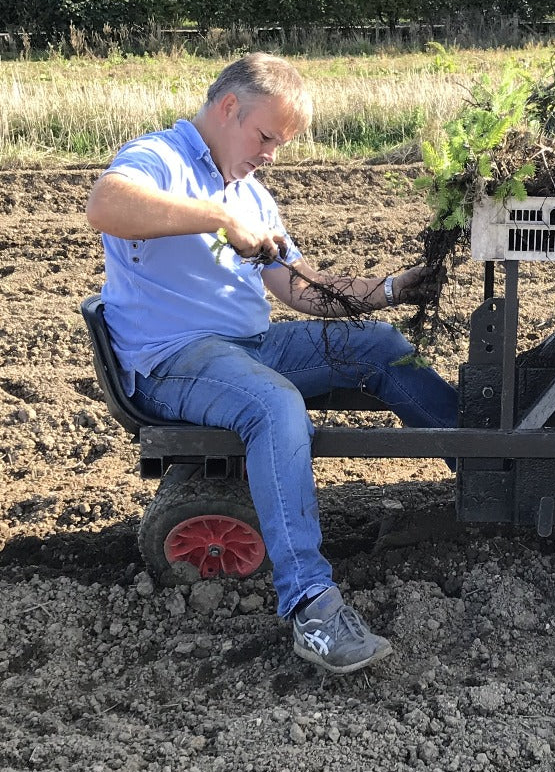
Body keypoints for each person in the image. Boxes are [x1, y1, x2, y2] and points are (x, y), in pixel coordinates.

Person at [85, 52, 458, 675]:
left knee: (381, 345)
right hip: (172, 359)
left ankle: (491, 473)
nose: (271, 155)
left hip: (248, 346)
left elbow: (301, 290)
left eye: (281, 144)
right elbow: (106, 205)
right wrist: (220, 217)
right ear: (229, 108)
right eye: (267, 137)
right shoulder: (161, 158)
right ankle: (311, 606)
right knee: (273, 402)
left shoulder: (252, 193)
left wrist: (395, 287)